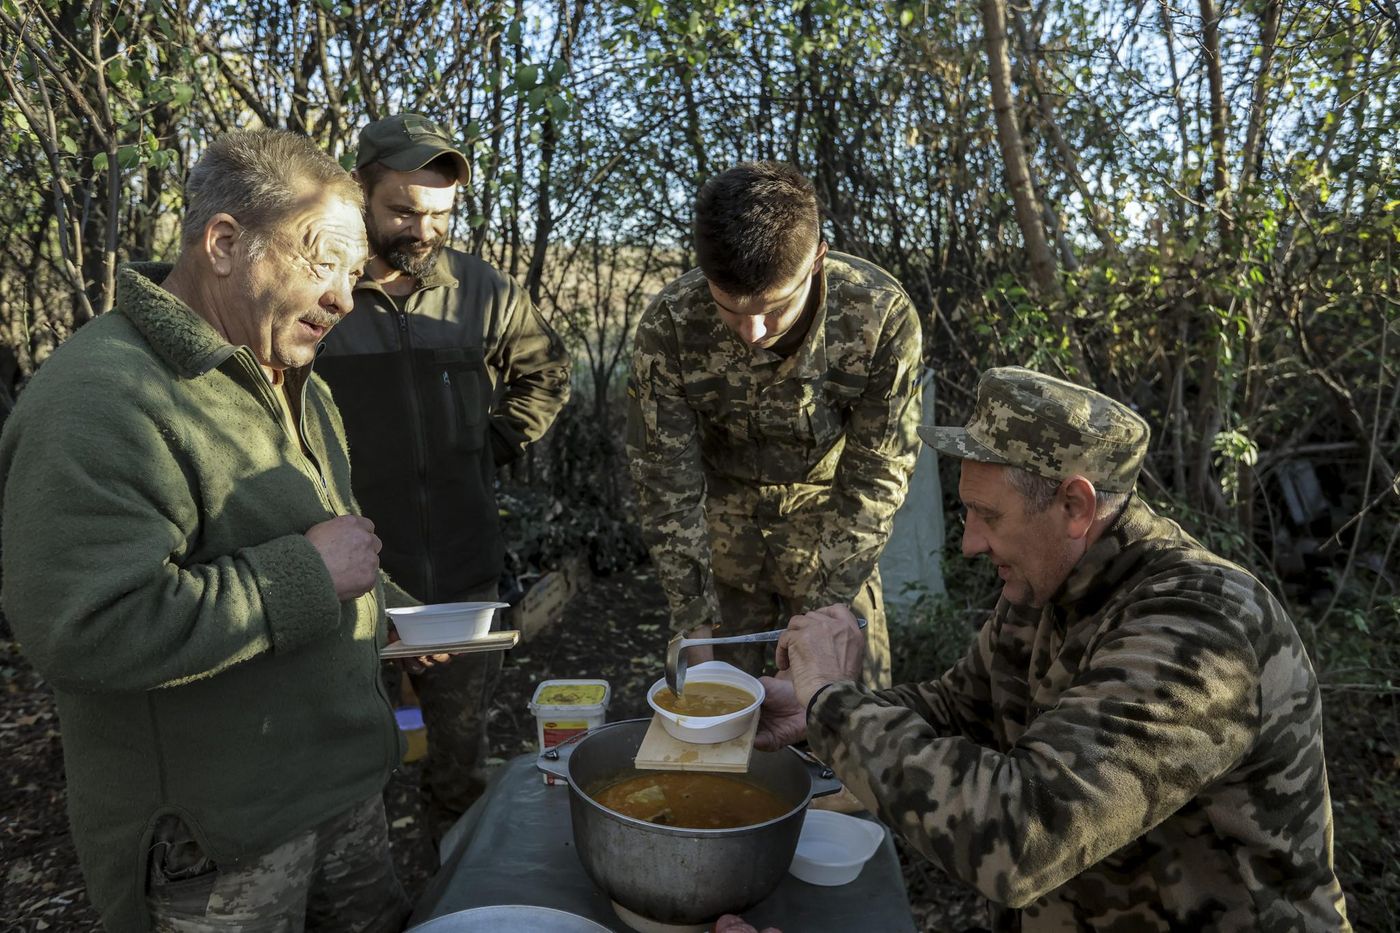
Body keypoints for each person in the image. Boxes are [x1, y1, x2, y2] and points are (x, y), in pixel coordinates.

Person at [757, 367, 1352, 931]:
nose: (969, 543)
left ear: (1075, 507)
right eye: (967, 511)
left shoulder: (1198, 628)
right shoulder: (1044, 587)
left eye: (988, 516)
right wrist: (808, 714)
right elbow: (959, 710)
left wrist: (835, 705)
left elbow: (1024, 837)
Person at [0, 130, 412, 932]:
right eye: (321, 260)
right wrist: (306, 576)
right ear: (224, 244)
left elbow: (318, 540)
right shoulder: (99, 399)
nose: (344, 297)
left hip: (341, 789)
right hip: (219, 844)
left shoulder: (291, 376)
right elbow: (85, 627)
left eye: (354, 274)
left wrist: (392, 610)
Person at [316, 113, 571, 831]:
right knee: (345, 785)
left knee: (459, 773)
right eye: (402, 208)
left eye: (441, 213)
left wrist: (487, 445)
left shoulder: (481, 292)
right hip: (348, 585)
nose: (423, 230)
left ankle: (453, 896)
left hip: (461, 575)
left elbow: (546, 371)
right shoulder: (320, 297)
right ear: (357, 192)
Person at [626, 161, 922, 687]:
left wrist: (826, 615)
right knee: (715, 724)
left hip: (834, 537)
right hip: (718, 555)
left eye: (771, 309)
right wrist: (693, 616)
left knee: (849, 728)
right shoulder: (670, 324)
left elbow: (877, 476)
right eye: (730, 310)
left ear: (817, 261)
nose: (752, 331)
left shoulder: (879, 317)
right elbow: (664, 481)